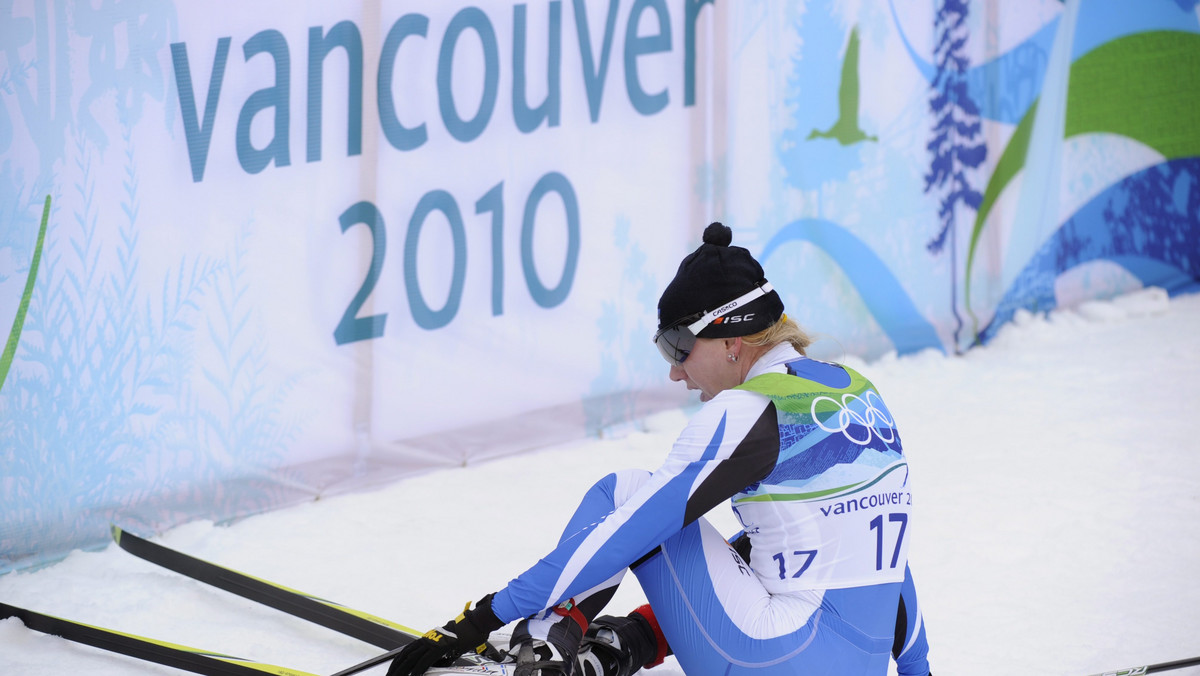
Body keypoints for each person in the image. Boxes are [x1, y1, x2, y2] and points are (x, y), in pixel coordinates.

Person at [387, 222, 932, 676]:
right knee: (762, 537)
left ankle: (542, 648)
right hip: (845, 660)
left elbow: (633, 527)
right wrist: (917, 670)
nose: (674, 371)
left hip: (774, 656)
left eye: (677, 345)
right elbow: (883, 558)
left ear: (732, 340)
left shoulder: (746, 411)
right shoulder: (858, 393)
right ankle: (628, 641)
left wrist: (481, 619)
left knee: (625, 493)